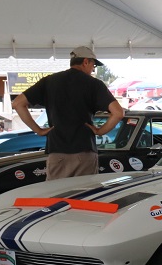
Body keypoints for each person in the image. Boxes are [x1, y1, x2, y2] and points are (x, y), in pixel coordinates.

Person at [11, 45, 124, 180]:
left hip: (56, 152)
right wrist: (100, 131)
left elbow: (18, 103)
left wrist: (39, 130)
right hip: (84, 152)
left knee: (57, 198)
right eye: (93, 65)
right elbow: (118, 113)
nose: (93, 69)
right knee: (85, 197)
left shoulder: (49, 81)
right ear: (86, 61)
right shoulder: (94, 84)